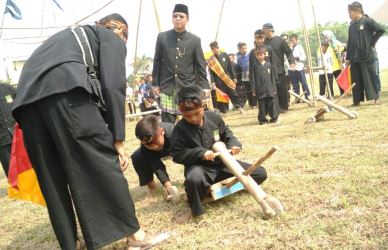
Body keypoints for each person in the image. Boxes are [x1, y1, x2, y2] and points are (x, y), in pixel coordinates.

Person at [12, 13, 167, 250]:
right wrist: (117, 139)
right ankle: (135, 237)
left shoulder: (65, 39)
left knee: (51, 177)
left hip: (26, 105)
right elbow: (113, 86)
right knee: (102, 160)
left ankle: (70, 243)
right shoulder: (111, 37)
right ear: (121, 31)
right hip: (65, 92)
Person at [170, 85, 281, 223]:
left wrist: (234, 144)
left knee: (259, 173)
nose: (193, 118)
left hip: (223, 164)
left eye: (196, 113)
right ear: (181, 112)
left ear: (203, 106)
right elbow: (177, 154)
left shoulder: (214, 117)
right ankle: (196, 210)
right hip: (201, 169)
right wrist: (200, 153)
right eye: (187, 116)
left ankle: (236, 186)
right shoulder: (179, 130)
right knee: (194, 180)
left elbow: (227, 134)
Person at [152, 3, 210, 123]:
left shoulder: (195, 40)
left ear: (187, 19)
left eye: (181, 16)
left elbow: (200, 65)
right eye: (175, 16)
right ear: (172, 18)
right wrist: (155, 83)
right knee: (167, 124)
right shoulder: (162, 37)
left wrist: (204, 85)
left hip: (188, 86)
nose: (178, 18)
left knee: (192, 120)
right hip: (167, 86)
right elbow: (157, 61)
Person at [131, 115, 180, 202]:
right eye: (148, 145)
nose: (153, 147)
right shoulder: (145, 144)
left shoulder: (174, 133)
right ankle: (152, 187)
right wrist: (168, 186)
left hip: (172, 147)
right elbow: (156, 165)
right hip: (156, 154)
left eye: (155, 142)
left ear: (162, 132)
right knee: (137, 156)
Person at [346, 2, 385, 106]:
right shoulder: (352, 26)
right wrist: (348, 57)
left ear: (357, 11)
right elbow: (349, 42)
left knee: (370, 78)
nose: (349, 15)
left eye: (350, 12)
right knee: (356, 80)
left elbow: (380, 30)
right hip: (354, 57)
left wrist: (372, 42)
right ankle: (357, 100)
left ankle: (376, 98)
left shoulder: (367, 21)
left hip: (366, 56)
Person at [262, 23, 295, 113]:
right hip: (268, 71)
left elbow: (289, 52)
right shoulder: (264, 42)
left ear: (269, 30)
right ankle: (275, 109)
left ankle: (284, 107)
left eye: (263, 29)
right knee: (272, 90)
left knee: (282, 89)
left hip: (279, 70)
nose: (262, 32)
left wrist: (291, 62)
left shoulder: (280, 41)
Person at [208, 41, 244, 114]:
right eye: (212, 49)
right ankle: (223, 111)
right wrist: (213, 82)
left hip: (227, 78)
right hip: (218, 80)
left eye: (215, 49)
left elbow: (230, 67)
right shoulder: (211, 59)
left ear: (218, 48)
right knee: (221, 95)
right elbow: (211, 72)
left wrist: (234, 77)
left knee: (233, 93)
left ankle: (239, 107)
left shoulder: (225, 55)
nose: (214, 51)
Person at [251, 47, 278, 125]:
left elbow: (272, 77)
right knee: (262, 105)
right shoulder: (255, 66)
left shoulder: (269, 64)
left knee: (271, 103)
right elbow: (252, 78)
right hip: (260, 89)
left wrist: (274, 88)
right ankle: (263, 120)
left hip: (269, 88)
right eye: (258, 55)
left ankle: (274, 118)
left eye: (261, 54)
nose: (260, 56)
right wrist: (253, 89)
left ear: (264, 55)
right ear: (256, 56)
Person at [0, 81, 16, 177]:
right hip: (2, 141)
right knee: (11, 173)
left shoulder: (8, 88)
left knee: (28, 169)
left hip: (18, 136)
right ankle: (18, 192)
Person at [288, 34, 311, 101]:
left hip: (299, 68)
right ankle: (297, 98)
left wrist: (298, 58)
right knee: (295, 84)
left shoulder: (300, 47)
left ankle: (307, 96)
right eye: (290, 40)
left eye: (293, 40)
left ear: (296, 40)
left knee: (303, 82)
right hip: (291, 68)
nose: (292, 42)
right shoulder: (288, 48)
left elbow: (304, 57)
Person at [236, 42, 255, 108]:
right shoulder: (238, 58)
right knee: (247, 89)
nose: (245, 49)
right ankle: (251, 104)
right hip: (244, 74)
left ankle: (255, 103)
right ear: (239, 49)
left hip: (251, 73)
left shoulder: (250, 55)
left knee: (253, 87)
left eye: (245, 48)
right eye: (243, 48)